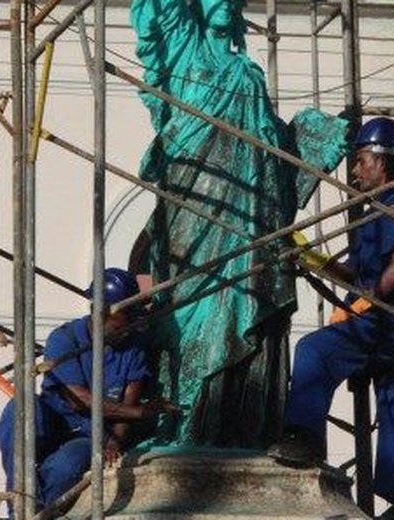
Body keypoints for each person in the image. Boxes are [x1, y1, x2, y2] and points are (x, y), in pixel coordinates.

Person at [130, 0, 347, 447]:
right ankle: (186, 416)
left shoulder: (249, 73)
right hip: (195, 205)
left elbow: (269, 150)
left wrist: (311, 138)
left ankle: (235, 422)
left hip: (248, 216)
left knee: (242, 299)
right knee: (192, 310)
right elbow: (159, 15)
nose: (223, 5)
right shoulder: (185, 53)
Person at [268, 118, 394, 520]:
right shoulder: (370, 214)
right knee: (393, 404)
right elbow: (355, 273)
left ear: (381, 161)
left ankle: (304, 438)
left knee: (314, 350)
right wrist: (313, 261)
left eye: (360, 161)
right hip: (388, 326)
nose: (354, 171)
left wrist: (366, 302)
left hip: (388, 322)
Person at [0, 268, 178, 514]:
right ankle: (19, 504)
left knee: (69, 466)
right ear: (101, 313)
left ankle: (36, 512)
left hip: (88, 434)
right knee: (20, 410)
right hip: (52, 421)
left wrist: (116, 440)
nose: (131, 325)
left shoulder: (134, 347)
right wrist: (142, 412)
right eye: (124, 317)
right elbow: (80, 400)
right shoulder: (64, 338)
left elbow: (127, 403)